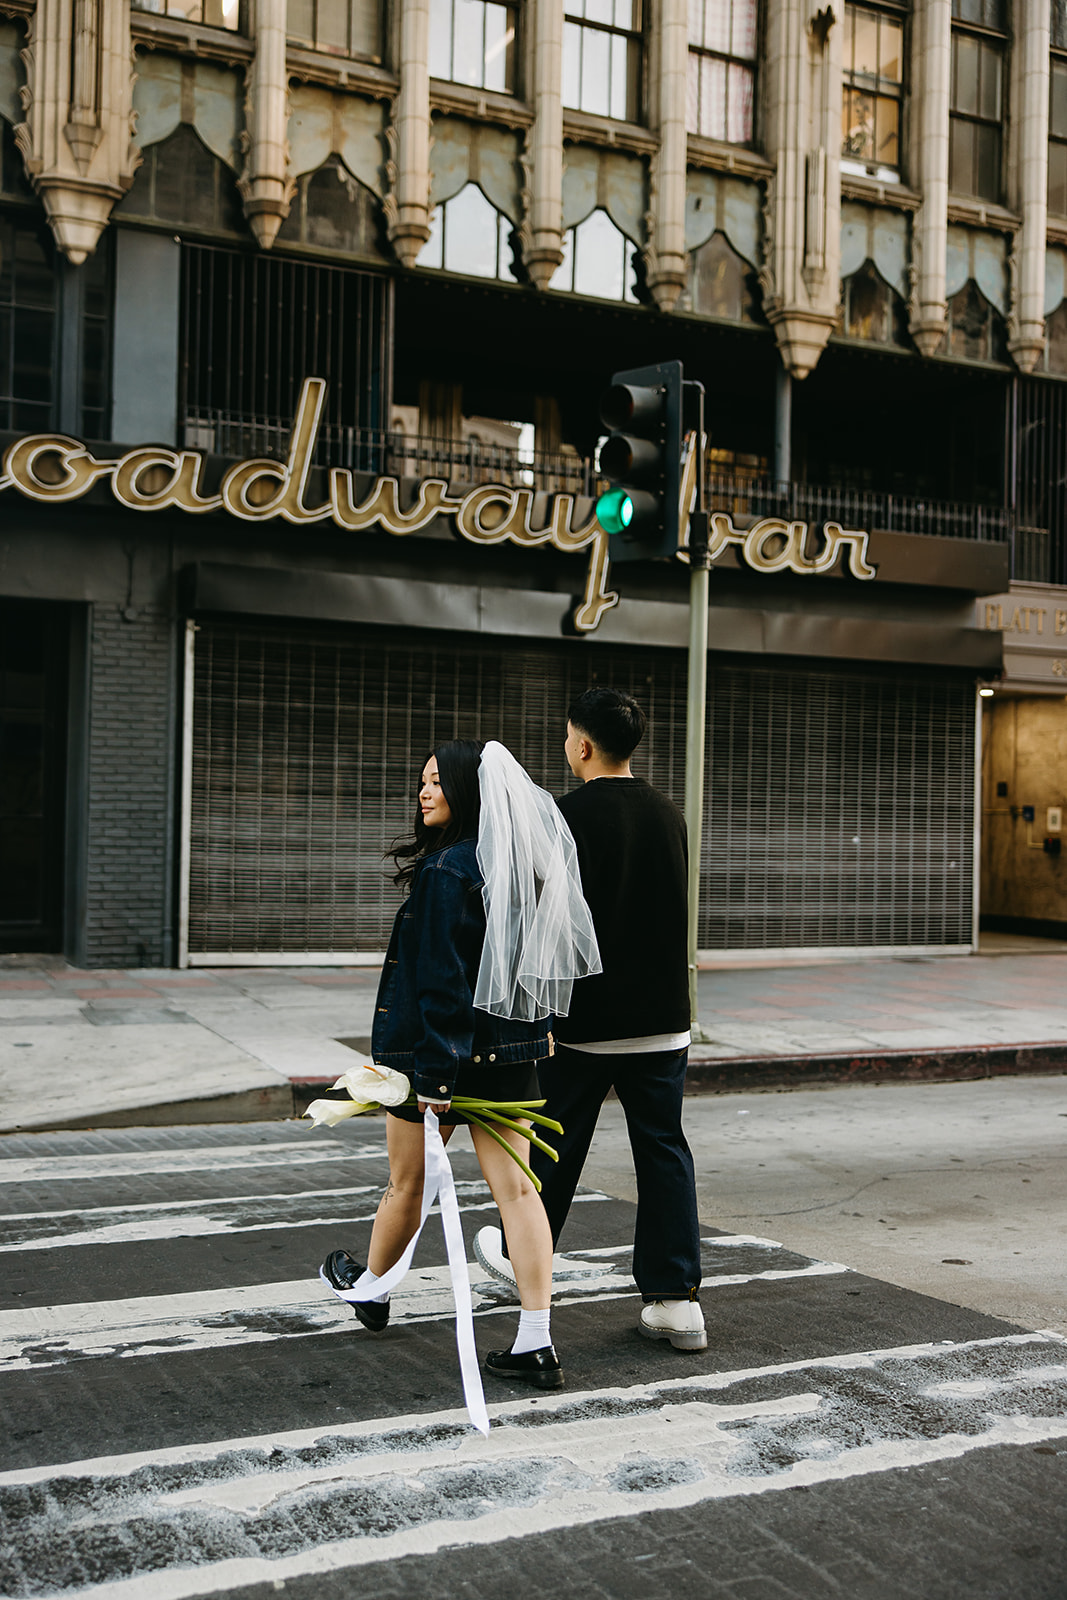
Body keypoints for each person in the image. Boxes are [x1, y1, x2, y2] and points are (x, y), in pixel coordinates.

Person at [320, 737, 600, 1389]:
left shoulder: (449, 872)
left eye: (437, 782)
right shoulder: (521, 869)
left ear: (468, 792)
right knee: (519, 1193)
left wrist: (438, 1081)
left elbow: (442, 987)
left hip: (437, 1063)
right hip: (512, 1061)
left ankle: (371, 1290)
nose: (423, 791)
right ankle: (535, 1339)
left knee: (406, 1185)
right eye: (421, 781)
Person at [475, 688, 706, 1351]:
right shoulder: (669, 814)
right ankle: (674, 1299)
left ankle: (526, 1258)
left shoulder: (561, 816)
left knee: (552, 1141)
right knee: (663, 1150)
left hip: (583, 1019)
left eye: (566, 736)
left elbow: (539, 917)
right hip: (662, 1018)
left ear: (581, 744)